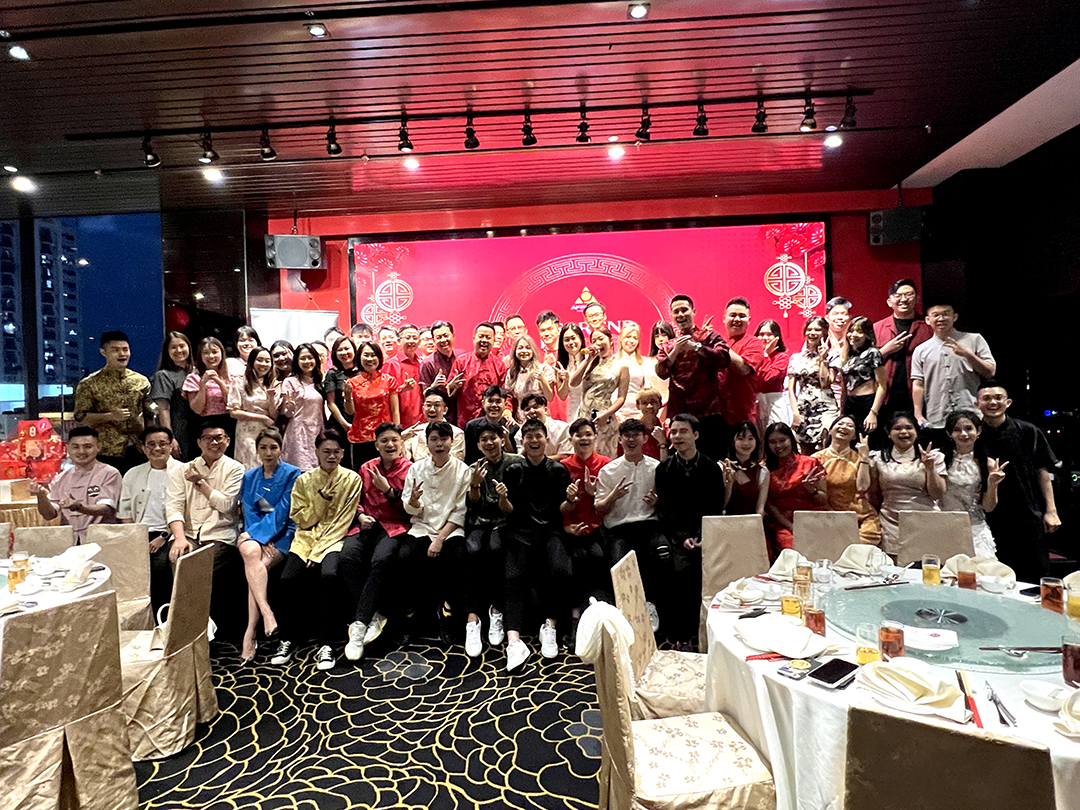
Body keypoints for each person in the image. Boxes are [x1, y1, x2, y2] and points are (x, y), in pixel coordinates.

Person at [272, 432, 363, 671]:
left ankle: (326, 643)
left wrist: (318, 552)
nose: (331, 456)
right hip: (305, 539)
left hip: (333, 540)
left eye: (336, 452)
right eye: (326, 451)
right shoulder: (304, 480)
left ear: (343, 454)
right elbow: (300, 518)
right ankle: (288, 638)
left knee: (329, 576)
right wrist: (320, 501)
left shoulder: (352, 479)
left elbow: (342, 521)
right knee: (287, 579)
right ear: (316, 453)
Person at [501, 418, 574, 669]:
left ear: (546, 440)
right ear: (522, 441)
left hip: (551, 530)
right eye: (529, 437)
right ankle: (513, 641)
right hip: (519, 532)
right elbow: (508, 510)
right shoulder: (513, 470)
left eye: (538, 436)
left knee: (561, 570)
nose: (534, 441)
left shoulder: (558, 470)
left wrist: (571, 501)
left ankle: (549, 625)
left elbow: (562, 509)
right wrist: (502, 499)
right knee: (513, 577)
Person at [339, 422, 413, 661]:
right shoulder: (366, 467)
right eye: (384, 441)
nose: (390, 444)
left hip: (394, 525)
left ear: (401, 444)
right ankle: (374, 614)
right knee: (347, 558)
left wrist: (388, 491)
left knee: (380, 562)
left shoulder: (410, 469)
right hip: (367, 524)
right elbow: (357, 500)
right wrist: (361, 515)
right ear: (376, 445)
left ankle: (360, 625)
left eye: (394, 440)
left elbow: (410, 510)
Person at [165, 423, 246, 637]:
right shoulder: (182, 470)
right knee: (179, 559)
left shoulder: (235, 469)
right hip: (189, 535)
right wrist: (179, 538)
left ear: (228, 441)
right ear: (199, 442)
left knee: (194, 568)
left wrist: (200, 482)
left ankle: (194, 628)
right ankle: (196, 628)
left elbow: (226, 505)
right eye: (208, 438)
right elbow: (174, 506)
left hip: (220, 535)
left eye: (219, 437)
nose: (214, 442)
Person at [976, 382, 1060, 582]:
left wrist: (1051, 510)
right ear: (977, 404)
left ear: (1008, 402)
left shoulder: (1028, 431)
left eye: (998, 398)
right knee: (993, 578)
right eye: (987, 398)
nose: (993, 402)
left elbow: (1043, 472)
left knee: (1035, 576)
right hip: (989, 517)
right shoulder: (974, 435)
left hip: (1027, 514)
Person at [400, 421, 472, 646]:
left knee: (457, 557)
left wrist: (440, 539)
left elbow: (460, 510)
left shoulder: (463, 470)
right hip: (422, 526)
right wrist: (413, 500)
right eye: (434, 439)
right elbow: (410, 508)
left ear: (452, 441)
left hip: (450, 529)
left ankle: (448, 614)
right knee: (405, 557)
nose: (439, 444)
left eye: (443, 439)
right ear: (427, 442)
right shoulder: (416, 469)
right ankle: (412, 616)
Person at [654, 413, 725, 640]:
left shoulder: (711, 468)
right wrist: (683, 536)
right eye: (673, 432)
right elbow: (665, 510)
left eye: (683, 431)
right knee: (679, 570)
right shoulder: (664, 469)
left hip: (707, 533)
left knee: (711, 572)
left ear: (695, 435)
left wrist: (701, 535)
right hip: (676, 535)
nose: (677, 436)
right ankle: (681, 634)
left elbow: (715, 506)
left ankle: (707, 632)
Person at [237, 427, 301, 665]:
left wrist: (264, 537)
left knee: (257, 568)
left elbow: (283, 511)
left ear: (281, 448)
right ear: (256, 450)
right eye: (263, 447)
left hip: (284, 532)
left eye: (273, 447)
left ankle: (250, 632)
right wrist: (256, 537)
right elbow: (250, 510)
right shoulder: (250, 477)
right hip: (258, 531)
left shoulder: (292, 473)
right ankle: (267, 613)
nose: (268, 452)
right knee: (248, 550)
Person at [595, 419, 668, 624]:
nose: (631, 439)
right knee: (620, 562)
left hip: (649, 525)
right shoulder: (608, 470)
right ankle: (627, 611)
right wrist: (613, 496)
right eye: (626, 436)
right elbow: (599, 509)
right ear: (620, 439)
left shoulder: (656, 467)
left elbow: (667, 505)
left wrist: (657, 503)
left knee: (663, 553)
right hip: (620, 528)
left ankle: (651, 604)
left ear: (644, 439)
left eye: (636, 435)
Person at [463, 422, 520, 657]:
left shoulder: (516, 463)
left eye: (493, 438)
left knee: (496, 549)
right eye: (484, 440)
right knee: (472, 551)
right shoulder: (473, 468)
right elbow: (473, 504)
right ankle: (473, 618)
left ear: (501, 440)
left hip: (507, 522)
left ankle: (496, 610)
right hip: (480, 521)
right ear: (478, 445)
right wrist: (475, 484)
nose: (489, 443)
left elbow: (516, 507)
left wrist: (503, 498)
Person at [856, 412, 946, 558]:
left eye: (909, 428)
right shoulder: (877, 458)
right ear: (888, 433)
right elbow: (872, 494)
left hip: (925, 520)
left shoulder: (933, 457)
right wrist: (864, 458)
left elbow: (937, 494)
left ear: (916, 432)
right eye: (897, 428)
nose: (904, 432)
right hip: (890, 522)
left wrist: (930, 468)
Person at [655, 295, 731, 460]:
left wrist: (697, 347)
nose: (681, 315)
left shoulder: (709, 337)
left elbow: (724, 358)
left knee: (712, 461)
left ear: (693, 311)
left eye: (684, 310)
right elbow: (661, 371)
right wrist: (675, 351)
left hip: (708, 412)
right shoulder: (668, 345)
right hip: (679, 413)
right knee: (681, 463)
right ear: (671, 315)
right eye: (676, 312)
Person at [911, 300, 996, 440]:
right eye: (936, 315)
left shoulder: (974, 339)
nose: (941, 318)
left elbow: (990, 372)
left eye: (945, 314)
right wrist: (918, 414)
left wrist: (968, 354)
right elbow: (918, 384)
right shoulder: (921, 350)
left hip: (971, 413)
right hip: (937, 417)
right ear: (927, 320)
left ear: (954, 317)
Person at [118, 425, 181, 609]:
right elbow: (125, 511)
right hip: (139, 534)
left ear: (171, 445)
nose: (157, 448)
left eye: (162, 443)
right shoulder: (132, 474)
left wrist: (164, 536)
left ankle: (164, 616)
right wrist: (134, 537)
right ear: (144, 448)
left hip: (169, 535)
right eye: (151, 444)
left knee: (160, 568)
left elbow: (185, 511)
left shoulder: (184, 471)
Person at [559, 419, 611, 632]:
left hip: (598, 526)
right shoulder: (563, 467)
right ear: (571, 439)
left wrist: (594, 494)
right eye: (578, 435)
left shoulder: (606, 464)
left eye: (588, 434)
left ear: (595, 437)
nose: (584, 438)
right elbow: (558, 505)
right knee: (574, 562)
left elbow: (609, 504)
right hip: (570, 527)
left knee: (598, 557)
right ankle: (575, 617)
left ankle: (597, 615)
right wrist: (567, 525)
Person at [30, 426, 122, 544]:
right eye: (76, 447)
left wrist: (80, 507)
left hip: (103, 540)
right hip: (70, 542)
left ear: (98, 447)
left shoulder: (109, 473)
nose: (81, 451)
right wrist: (41, 497)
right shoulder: (60, 479)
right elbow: (49, 515)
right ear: (67, 449)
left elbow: (107, 509)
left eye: (87, 446)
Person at [74, 330, 150, 473]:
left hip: (138, 448)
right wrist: (110, 416)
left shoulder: (141, 381)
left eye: (125, 349)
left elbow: (149, 414)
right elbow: (81, 417)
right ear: (104, 352)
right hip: (107, 450)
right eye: (115, 350)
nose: (122, 354)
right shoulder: (89, 384)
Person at [941, 410, 1003, 559]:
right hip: (944, 526)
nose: (964, 434)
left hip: (974, 526)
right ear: (949, 434)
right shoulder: (939, 459)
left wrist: (992, 484)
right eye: (957, 430)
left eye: (968, 428)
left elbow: (988, 507)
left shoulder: (988, 463)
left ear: (978, 431)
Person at [812, 415, 882, 545]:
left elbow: (862, 488)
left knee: (864, 540)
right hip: (825, 514)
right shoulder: (816, 459)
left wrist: (864, 458)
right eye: (840, 424)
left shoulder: (859, 458)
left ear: (854, 436)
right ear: (830, 431)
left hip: (858, 514)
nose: (844, 427)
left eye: (850, 426)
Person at [763, 423, 827, 558]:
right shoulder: (765, 468)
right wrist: (790, 526)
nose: (778, 446)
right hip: (781, 522)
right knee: (791, 548)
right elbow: (768, 504)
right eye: (772, 442)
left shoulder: (811, 463)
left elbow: (823, 500)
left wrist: (812, 491)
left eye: (782, 440)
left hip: (812, 518)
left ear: (791, 440)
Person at [873, 279, 933, 418]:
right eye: (898, 296)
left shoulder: (928, 327)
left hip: (920, 396)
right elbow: (865, 364)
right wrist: (885, 350)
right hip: (885, 396)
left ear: (917, 299)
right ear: (889, 301)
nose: (904, 299)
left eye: (909, 294)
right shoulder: (877, 328)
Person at [570, 327, 628, 458]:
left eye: (601, 339)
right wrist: (588, 359)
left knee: (604, 457)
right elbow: (573, 382)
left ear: (610, 341)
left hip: (603, 417)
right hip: (584, 415)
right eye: (594, 340)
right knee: (584, 455)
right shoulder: (590, 363)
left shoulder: (621, 366)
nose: (597, 343)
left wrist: (606, 414)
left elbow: (621, 397)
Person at [786, 316, 840, 454]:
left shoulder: (833, 356)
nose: (812, 333)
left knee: (825, 448)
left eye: (817, 330)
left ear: (824, 333)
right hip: (804, 408)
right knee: (804, 451)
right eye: (809, 329)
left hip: (825, 408)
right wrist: (795, 413)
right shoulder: (796, 358)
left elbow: (825, 382)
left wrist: (823, 359)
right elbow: (791, 389)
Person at [342, 341, 401, 465]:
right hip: (360, 438)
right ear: (359, 358)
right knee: (362, 473)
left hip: (385, 438)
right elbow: (350, 412)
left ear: (379, 358)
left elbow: (395, 410)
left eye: (373, 355)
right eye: (366, 355)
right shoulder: (352, 383)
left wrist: (397, 435)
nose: (370, 359)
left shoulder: (389, 380)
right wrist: (347, 396)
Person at [718, 298, 765, 441]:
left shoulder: (754, 343)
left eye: (742, 316)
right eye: (732, 315)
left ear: (749, 320)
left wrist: (718, 343)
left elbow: (743, 369)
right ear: (724, 318)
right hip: (719, 416)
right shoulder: (723, 343)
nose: (737, 319)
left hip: (742, 416)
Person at [227, 346, 277, 470]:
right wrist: (262, 418)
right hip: (246, 431)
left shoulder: (272, 383)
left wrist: (271, 397)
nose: (264, 364)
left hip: (267, 432)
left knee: (266, 466)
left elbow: (274, 416)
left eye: (267, 361)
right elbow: (233, 412)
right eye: (260, 360)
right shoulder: (239, 381)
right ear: (252, 361)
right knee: (249, 466)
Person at [278, 343, 326, 471]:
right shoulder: (290, 381)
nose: (307, 361)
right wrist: (289, 407)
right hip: (298, 432)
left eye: (310, 358)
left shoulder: (319, 380)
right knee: (300, 470)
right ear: (297, 361)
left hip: (317, 431)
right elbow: (287, 413)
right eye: (303, 358)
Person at [150, 331, 196, 460]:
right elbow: (163, 408)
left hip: (198, 428)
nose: (179, 350)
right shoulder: (163, 375)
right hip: (179, 429)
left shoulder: (197, 371)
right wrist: (170, 437)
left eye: (182, 346)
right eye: (173, 347)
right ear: (167, 351)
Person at [452, 322, 505, 428]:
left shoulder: (499, 364)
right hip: (465, 420)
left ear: (493, 340)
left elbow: (505, 393)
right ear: (474, 338)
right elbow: (450, 390)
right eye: (481, 336)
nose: (484, 340)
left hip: (492, 420)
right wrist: (452, 387)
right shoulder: (462, 361)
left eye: (488, 337)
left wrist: (507, 411)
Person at [840, 316, 887, 435]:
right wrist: (842, 409)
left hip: (866, 401)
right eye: (851, 331)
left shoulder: (873, 353)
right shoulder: (848, 355)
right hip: (850, 402)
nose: (853, 335)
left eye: (859, 331)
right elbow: (844, 386)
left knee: (866, 437)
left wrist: (873, 412)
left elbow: (882, 385)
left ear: (867, 334)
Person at [183, 336, 234, 439]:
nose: (211, 356)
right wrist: (203, 384)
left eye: (214, 352)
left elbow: (232, 403)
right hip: (204, 424)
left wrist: (219, 382)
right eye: (206, 353)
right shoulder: (193, 378)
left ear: (222, 353)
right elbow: (197, 409)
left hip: (230, 422)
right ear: (200, 356)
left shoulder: (232, 376)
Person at [322, 336, 360, 467]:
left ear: (354, 350)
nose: (344, 353)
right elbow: (331, 403)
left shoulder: (362, 371)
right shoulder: (332, 373)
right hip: (339, 424)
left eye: (347, 348)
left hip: (361, 422)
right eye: (340, 350)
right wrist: (344, 424)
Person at [401, 388, 466, 461]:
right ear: (423, 409)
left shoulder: (457, 433)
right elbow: (404, 459)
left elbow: (455, 461)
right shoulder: (415, 431)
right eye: (428, 405)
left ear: (445, 410)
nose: (432, 409)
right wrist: (401, 439)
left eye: (437, 405)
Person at [720, 421, 769, 517]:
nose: (746, 443)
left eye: (750, 438)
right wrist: (729, 484)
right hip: (727, 521)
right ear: (733, 442)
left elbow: (760, 509)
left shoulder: (762, 471)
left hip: (753, 522)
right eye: (740, 438)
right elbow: (721, 506)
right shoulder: (722, 467)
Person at [463, 385, 520, 465]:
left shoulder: (513, 428)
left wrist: (506, 440)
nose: (494, 405)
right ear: (483, 403)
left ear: (505, 404)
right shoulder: (471, 427)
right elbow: (468, 457)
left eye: (498, 402)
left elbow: (515, 460)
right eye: (490, 401)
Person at [418, 321, 461, 425]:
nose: (443, 340)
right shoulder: (428, 363)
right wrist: (435, 386)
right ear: (434, 340)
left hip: (463, 412)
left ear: (453, 336)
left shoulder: (462, 358)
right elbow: (425, 394)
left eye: (446, 335)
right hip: (440, 417)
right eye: (438, 337)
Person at [505, 334, 555, 421]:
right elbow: (509, 397)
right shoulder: (511, 372)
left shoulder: (544, 369)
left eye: (528, 348)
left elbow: (550, 397)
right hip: (521, 420)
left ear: (533, 350)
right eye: (520, 348)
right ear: (515, 351)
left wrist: (542, 380)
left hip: (541, 419)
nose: (524, 351)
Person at [754, 319, 791, 435]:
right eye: (761, 334)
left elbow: (767, 378)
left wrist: (765, 356)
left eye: (769, 334)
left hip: (774, 402)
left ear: (777, 337)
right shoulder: (752, 356)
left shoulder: (782, 357)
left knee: (776, 435)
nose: (765, 338)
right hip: (756, 403)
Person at [614, 321, 648, 422]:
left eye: (635, 338)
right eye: (628, 337)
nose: (631, 341)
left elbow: (647, 389)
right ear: (621, 339)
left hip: (638, 412)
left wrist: (643, 413)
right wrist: (615, 413)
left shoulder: (644, 362)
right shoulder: (612, 361)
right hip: (615, 412)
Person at [519, 393, 571, 458]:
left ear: (546, 410)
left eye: (535, 407)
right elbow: (521, 458)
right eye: (527, 409)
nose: (532, 411)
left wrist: (540, 461)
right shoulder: (519, 434)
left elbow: (566, 455)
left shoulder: (562, 428)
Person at [556, 322, 588, 426]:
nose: (571, 342)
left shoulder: (591, 359)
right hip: (574, 411)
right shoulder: (560, 365)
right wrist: (565, 380)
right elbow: (562, 396)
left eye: (573, 338)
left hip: (592, 408)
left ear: (581, 339)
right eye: (566, 340)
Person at [536, 311, 566, 421]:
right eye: (542, 330)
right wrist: (544, 365)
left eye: (550, 329)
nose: (546, 333)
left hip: (569, 410)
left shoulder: (568, 352)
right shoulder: (536, 356)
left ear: (558, 329)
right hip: (546, 413)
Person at [396, 324, 424, 429]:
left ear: (419, 342)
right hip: (402, 419)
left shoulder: (422, 363)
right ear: (399, 341)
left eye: (415, 338)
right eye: (407, 338)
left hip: (423, 417)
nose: (411, 341)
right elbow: (384, 393)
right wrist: (402, 389)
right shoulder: (391, 364)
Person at [634, 388, 668, 461]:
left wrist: (663, 441)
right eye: (644, 403)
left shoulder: (665, 427)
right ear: (637, 406)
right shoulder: (632, 429)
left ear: (660, 404)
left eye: (653, 402)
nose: (649, 406)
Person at [646, 320, 674, 404]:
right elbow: (647, 387)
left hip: (674, 403)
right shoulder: (648, 361)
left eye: (664, 335)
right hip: (654, 405)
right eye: (657, 336)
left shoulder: (677, 358)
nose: (660, 339)